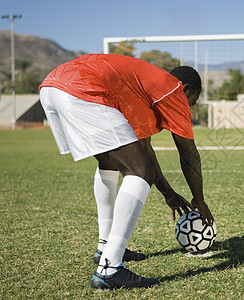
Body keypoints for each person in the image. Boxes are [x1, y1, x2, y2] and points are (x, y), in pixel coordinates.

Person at [39, 54, 214, 290]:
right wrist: (199, 200)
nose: (187, 110)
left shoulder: (141, 89)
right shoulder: (171, 89)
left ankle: (105, 247)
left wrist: (168, 194)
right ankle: (110, 269)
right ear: (186, 88)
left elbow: (144, 148)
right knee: (140, 172)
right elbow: (188, 154)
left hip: (52, 85)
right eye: (190, 102)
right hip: (79, 88)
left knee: (111, 163)